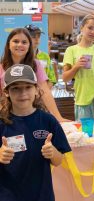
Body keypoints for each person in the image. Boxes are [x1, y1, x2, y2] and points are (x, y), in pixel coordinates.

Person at [0, 64, 71, 201]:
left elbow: (58, 161)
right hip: (8, 195)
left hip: (41, 195)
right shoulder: (2, 122)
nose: (23, 93)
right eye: (16, 88)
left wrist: (53, 153)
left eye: (28, 87)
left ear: (36, 89)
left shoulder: (49, 121)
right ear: (6, 92)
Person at [0, 28, 68, 122]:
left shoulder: (36, 65)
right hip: (8, 117)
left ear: (29, 46)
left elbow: (45, 91)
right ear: (8, 44)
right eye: (16, 41)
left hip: (32, 114)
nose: (20, 44)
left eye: (24, 42)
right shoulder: (1, 67)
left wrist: (58, 117)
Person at [24, 24, 57, 89]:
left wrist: (44, 92)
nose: (37, 39)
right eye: (33, 36)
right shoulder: (21, 56)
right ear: (25, 37)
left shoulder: (45, 56)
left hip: (43, 93)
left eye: (38, 36)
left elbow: (52, 78)